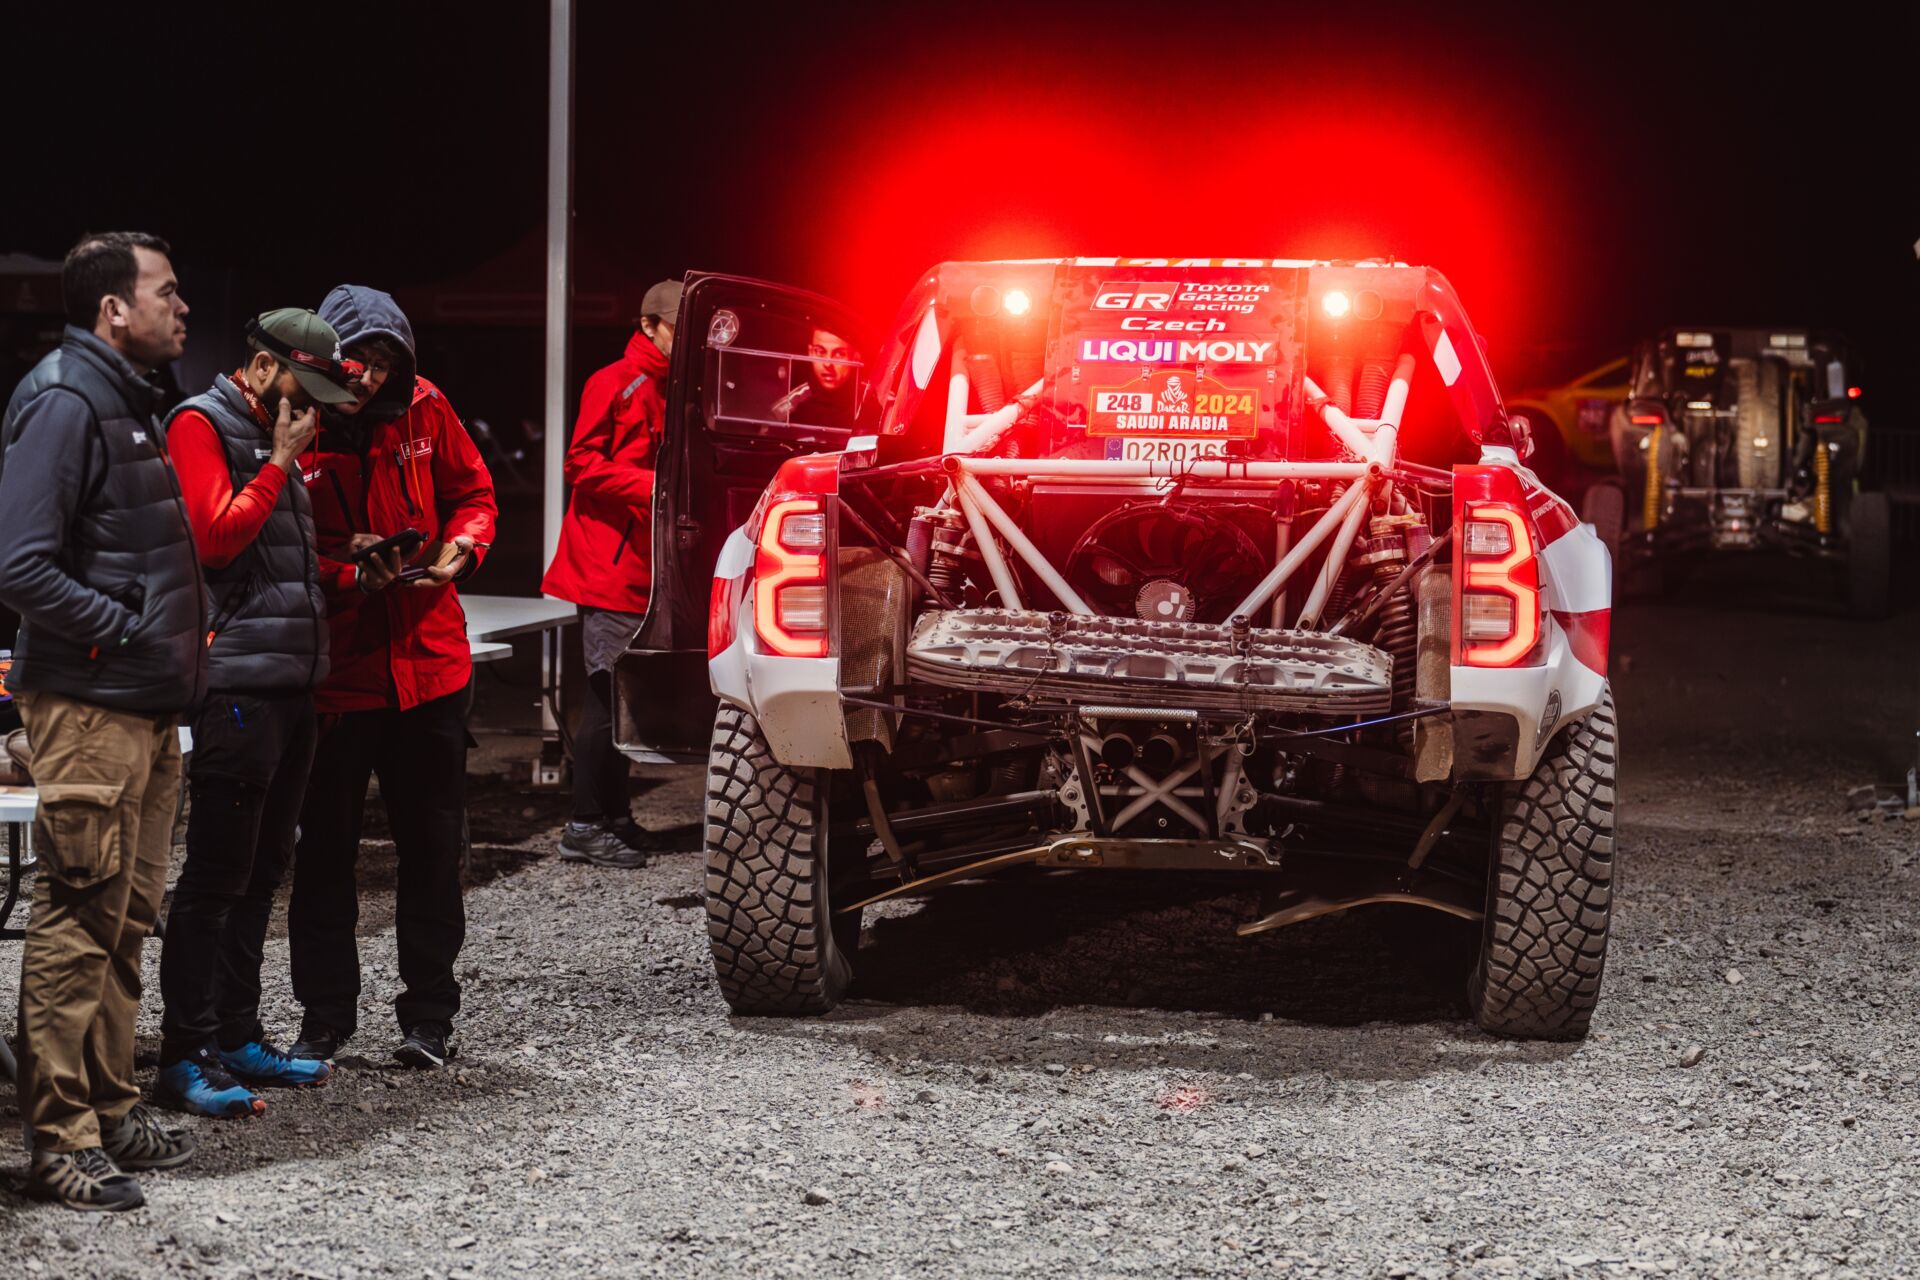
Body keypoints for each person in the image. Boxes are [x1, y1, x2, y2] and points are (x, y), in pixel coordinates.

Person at [0, 232, 203, 1211]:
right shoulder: (67, 399)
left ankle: (111, 1107)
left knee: (124, 919)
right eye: (167, 292)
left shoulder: (128, 399)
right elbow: (21, 564)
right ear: (113, 309)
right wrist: (128, 631)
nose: (184, 306)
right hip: (91, 701)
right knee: (78, 918)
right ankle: (60, 1139)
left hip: (143, 705)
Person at [153, 309, 357, 1117]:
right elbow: (213, 541)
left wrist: (348, 574)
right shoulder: (201, 424)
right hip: (237, 686)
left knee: (263, 869)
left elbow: (278, 573)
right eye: (300, 386)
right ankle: (183, 1052)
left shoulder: (279, 437)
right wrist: (277, 464)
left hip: (292, 686)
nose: (307, 408)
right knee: (214, 877)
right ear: (264, 368)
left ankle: (236, 1034)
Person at [287, 286, 497, 1071]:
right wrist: (349, 572)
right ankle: (325, 1018)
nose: (370, 377)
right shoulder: (295, 422)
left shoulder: (428, 407)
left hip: (431, 670)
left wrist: (462, 550)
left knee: (434, 851)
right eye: (358, 359)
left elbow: (473, 495)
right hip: (337, 678)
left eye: (385, 362)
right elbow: (267, 551)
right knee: (324, 855)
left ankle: (430, 1019)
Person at [539, 279, 681, 869]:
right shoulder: (614, 381)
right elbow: (579, 463)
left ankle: (615, 817)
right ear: (648, 324)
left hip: (638, 571)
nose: (684, 337)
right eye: (678, 326)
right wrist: (653, 488)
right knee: (606, 700)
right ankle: (582, 827)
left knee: (627, 701)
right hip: (607, 568)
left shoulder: (673, 386)